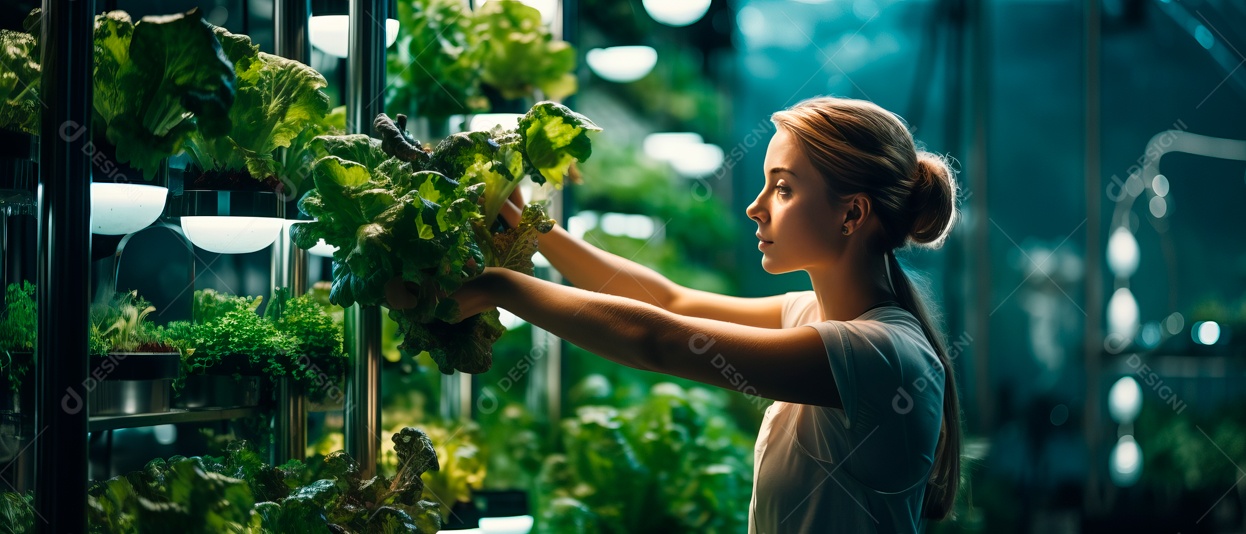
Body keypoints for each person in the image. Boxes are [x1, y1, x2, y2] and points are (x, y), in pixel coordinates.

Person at [446, 96, 962, 533]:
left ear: (852, 214)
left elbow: (660, 340)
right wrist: (528, 226)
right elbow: (668, 301)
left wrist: (502, 286)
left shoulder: (881, 354)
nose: (755, 207)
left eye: (783, 188)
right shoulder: (817, 316)